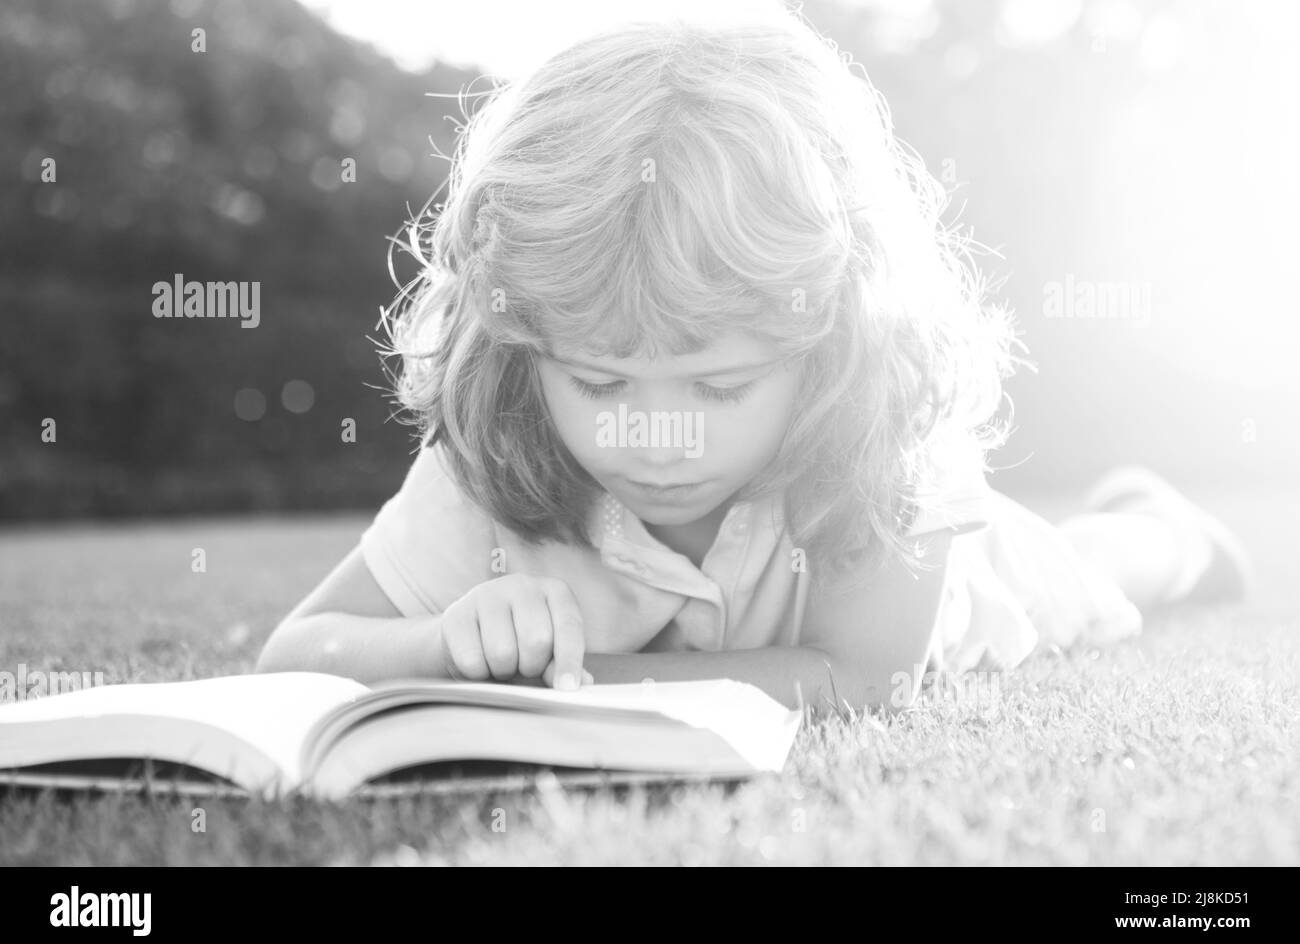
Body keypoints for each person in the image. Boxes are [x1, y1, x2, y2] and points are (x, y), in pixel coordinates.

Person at [254, 12, 1250, 718]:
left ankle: (1164, 527)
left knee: (1090, 576)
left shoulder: (881, 449)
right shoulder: (503, 459)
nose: (654, 434)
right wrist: (439, 648)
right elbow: (297, 651)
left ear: (830, 338)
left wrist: (574, 682)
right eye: (597, 383)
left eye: (720, 387)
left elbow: (860, 680)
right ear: (521, 349)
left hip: (978, 579)